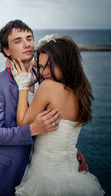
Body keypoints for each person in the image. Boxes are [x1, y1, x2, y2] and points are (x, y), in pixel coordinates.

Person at [0, 20, 88, 196]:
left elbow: (54, 123)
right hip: (10, 171)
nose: (27, 44)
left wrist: (69, 150)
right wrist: (32, 129)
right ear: (7, 50)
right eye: (18, 40)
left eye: (29, 38)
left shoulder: (46, 78)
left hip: (44, 170)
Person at [12, 34, 104, 195]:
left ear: (65, 63)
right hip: (73, 174)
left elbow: (22, 123)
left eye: (49, 66)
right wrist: (35, 61)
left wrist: (23, 85)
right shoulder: (81, 93)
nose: (44, 72)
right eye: (41, 66)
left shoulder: (48, 87)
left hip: (45, 176)